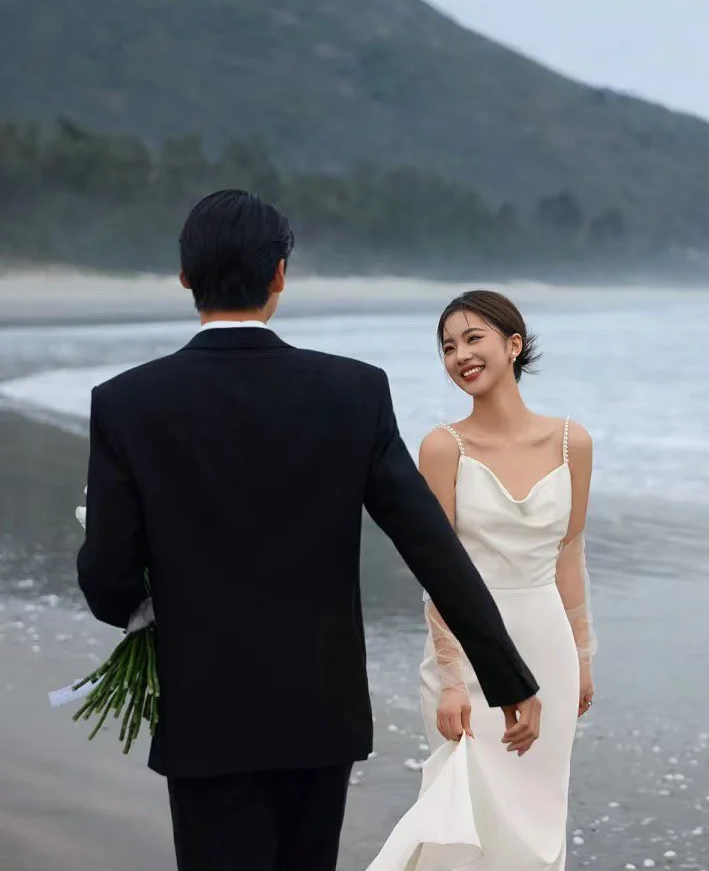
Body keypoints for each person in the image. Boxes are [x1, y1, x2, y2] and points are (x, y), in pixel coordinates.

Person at [76, 191, 542, 871]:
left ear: (184, 277)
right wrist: (505, 676)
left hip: (207, 715)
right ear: (279, 275)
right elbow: (431, 545)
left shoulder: (127, 403)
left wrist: (144, 607)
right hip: (319, 714)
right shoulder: (352, 392)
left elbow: (107, 580)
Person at [368, 290, 596, 871]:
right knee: (462, 814)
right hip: (467, 654)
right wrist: (449, 676)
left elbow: (570, 555)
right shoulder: (443, 448)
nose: (460, 356)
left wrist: (583, 657)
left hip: (549, 651)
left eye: (473, 339)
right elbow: (437, 570)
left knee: (538, 823)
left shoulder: (573, 443)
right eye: (447, 347)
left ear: (513, 345)